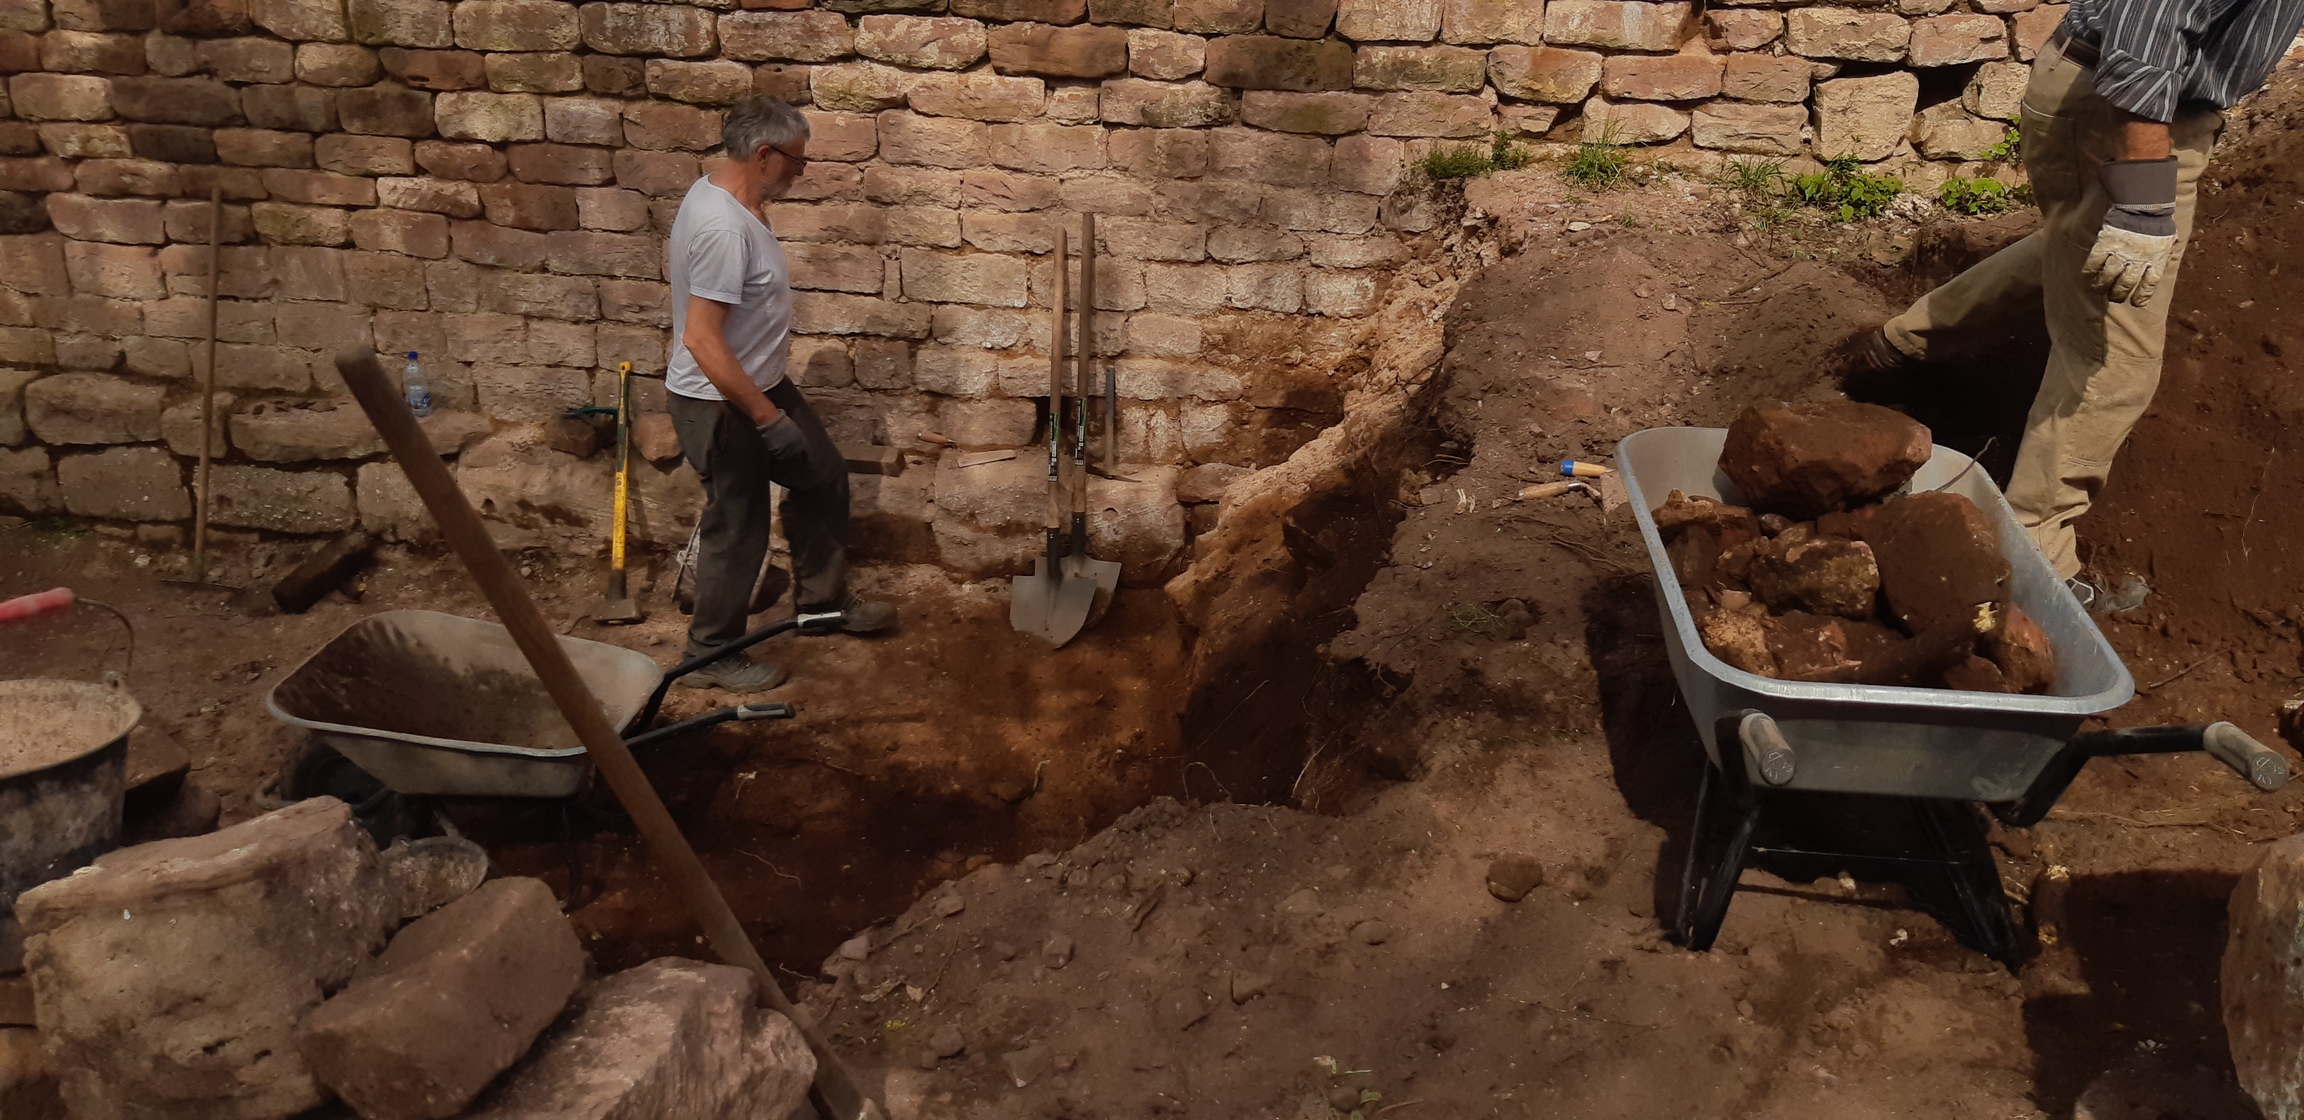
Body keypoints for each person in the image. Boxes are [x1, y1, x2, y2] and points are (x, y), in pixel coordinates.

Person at [1856, 0, 2304, 608]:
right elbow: (2146, 38)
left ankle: (1901, 346)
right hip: (2130, 116)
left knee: (2082, 252)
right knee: (2113, 357)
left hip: (2114, 97)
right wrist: (2143, 200)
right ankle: (2033, 557)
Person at [663, 97, 894, 691]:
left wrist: (770, 403)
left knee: (823, 476)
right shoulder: (722, 228)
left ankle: (821, 605)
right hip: (720, 401)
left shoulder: (732, 200)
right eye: (796, 160)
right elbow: (702, 339)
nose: (801, 172)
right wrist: (766, 418)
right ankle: (710, 655)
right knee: (738, 524)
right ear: (763, 154)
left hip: (759, 383)